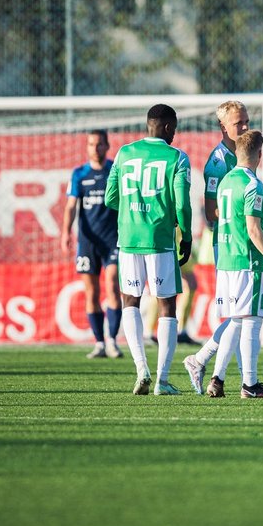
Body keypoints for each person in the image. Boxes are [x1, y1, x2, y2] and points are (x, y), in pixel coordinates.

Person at [104, 104, 193, 396]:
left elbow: (110, 197)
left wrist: (133, 212)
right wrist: (187, 235)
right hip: (159, 239)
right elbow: (181, 204)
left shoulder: (124, 153)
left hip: (128, 237)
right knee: (166, 304)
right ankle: (162, 380)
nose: (175, 134)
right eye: (175, 128)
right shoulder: (177, 158)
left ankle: (141, 369)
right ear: (167, 128)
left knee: (131, 300)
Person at [203, 130, 263, 398]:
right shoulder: (254, 185)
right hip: (247, 260)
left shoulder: (227, 181)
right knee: (252, 321)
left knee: (236, 321)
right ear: (259, 155)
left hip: (227, 260)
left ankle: (217, 379)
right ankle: (250, 384)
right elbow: (253, 230)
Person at [184, 100, 252, 393]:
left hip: (241, 243)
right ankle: (204, 362)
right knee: (242, 315)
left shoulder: (242, 155)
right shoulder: (219, 161)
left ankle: (232, 377)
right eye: (239, 124)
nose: (246, 127)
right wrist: (246, 219)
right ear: (223, 127)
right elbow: (211, 212)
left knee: (243, 315)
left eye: (247, 121)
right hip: (228, 246)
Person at [61, 130, 123, 359]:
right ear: (87, 147)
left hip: (113, 240)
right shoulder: (79, 174)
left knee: (113, 286)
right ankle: (99, 343)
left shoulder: (114, 171)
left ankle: (112, 341)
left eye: (99, 144)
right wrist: (65, 232)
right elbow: (70, 206)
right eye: (91, 144)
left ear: (107, 147)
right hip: (87, 241)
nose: (95, 148)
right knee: (92, 292)